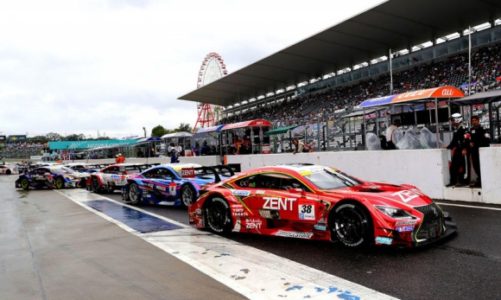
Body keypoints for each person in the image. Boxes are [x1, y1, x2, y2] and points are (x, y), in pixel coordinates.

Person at [466, 115, 490, 187]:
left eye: (475, 120)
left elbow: (487, 139)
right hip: (473, 152)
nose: (473, 122)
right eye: (472, 121)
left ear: (478, 121)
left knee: (481, 166)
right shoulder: (470, 130)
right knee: (475, 166)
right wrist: (469, 142)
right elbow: (467, 138)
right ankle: (479, 179)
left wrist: (478, 145)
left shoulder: (483, 129)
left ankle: (482, 181)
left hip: (481, 151)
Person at [446, 113, 468, 187]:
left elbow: (466, 138)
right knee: (453, 167)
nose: (451, 122)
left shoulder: (464, 128)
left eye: (452, 120)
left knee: (461, 167)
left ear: (457, 119)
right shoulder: (456, 129)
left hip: (462, 150)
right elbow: (454, 141)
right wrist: (447, 147)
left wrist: (464, 148)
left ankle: (461, 181)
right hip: (457, 150)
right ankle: (453, 181)